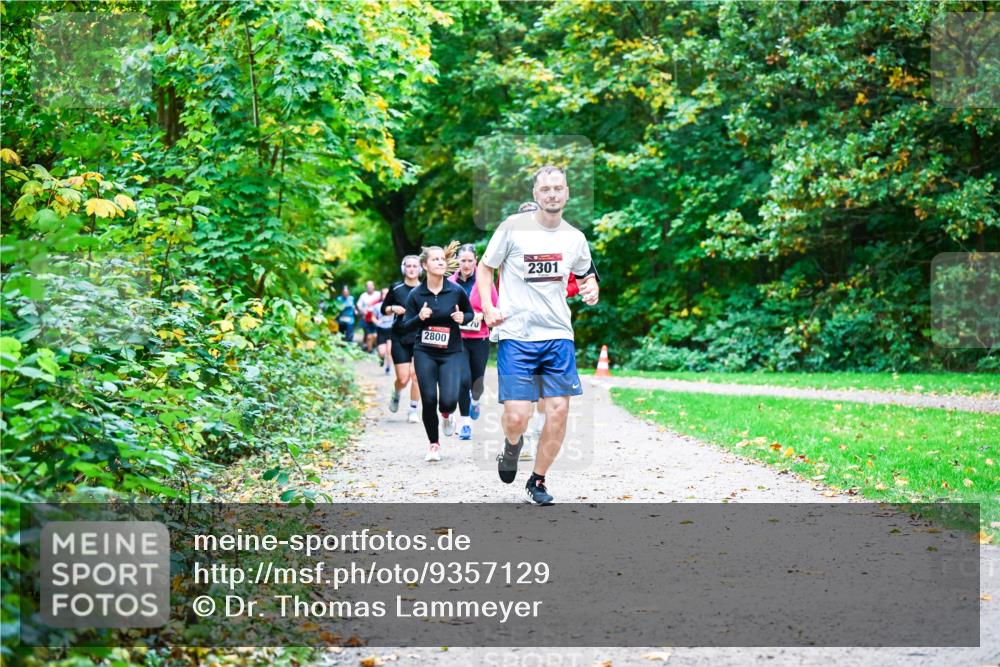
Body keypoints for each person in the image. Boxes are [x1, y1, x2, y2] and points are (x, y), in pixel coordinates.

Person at [478, 166, 599, 505]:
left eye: (558, 188)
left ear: (567, 193)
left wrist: (592, 289)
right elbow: (485, 268)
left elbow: (587, 274)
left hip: (558, 334)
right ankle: (512, 445)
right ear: (535, 194)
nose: (551, 194)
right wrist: (488, 307)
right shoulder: (512, 229)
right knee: (518, 417)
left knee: (558, 410)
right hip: (517, 335)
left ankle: (538, 480)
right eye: (545, 189)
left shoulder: (574, 237)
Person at [402, 244, 474, 462]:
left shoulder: (456, 291)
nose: (441, 262)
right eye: (435, 259)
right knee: (429, 398)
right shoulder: (416, 294)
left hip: (451, 351)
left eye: (443, 259)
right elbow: (405, 326)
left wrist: (464, 318)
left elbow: (469, 312)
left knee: (449, 401)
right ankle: (434, 444)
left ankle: (446, 415)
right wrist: (419, 317)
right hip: (424, 351)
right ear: (425, 265)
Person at [448, 243, 498, 440]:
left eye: (470, 261)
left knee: (477, 382)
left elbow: (495, 308)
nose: (466, 264)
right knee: (463, 380)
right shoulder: (451, 282)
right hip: (458, 338)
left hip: (479, 337)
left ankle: (475, 401)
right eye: (463, 261)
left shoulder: (484, 281)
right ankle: (465, 423)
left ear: (475, 261)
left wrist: (481, 316)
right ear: (458, 262)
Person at [383, 256, 424, 423]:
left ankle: (413, 409)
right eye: (409, 266)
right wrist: (393, 308)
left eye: (415, 266)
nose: (412, 269)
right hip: (400, 337)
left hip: (420, 337)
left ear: (420, 269)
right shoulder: (396, 288)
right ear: (403, 268)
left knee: (416, 376)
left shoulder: (425, 289)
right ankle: (397, 392)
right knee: (403, 378)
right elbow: (383, 308)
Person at [356, 281, 382, 353]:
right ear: (366, 287)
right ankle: (369, 349)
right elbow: (358, 305)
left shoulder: (378, 294)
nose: (370, 287)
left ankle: (376, 348)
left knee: (377, 334)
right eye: (368, 286)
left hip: (377, 317)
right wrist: (362, 310)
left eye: (371, 285)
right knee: (368, 334)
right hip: (366, 317)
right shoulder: (363, 295)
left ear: (374, 286)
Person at [375, 286, 394, 374]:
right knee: (382, 352)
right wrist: (376, 321)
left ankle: (388, 368)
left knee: (389, 351)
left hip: (391, 330)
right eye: (384, 294)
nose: (385, 295)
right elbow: (372, 316)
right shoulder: (377, 306)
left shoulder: (394, 305)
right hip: (381, 330)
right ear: (381, 295)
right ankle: (381, 358)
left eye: (387, 294)